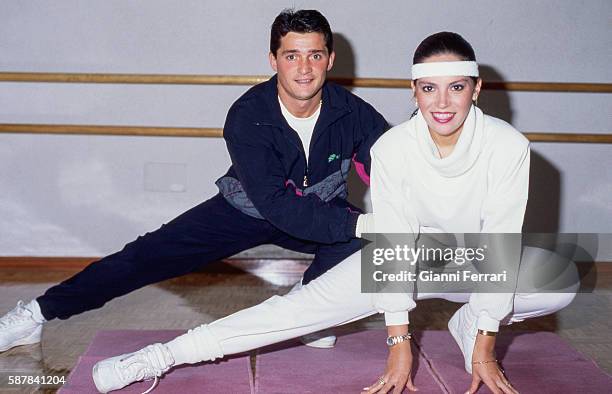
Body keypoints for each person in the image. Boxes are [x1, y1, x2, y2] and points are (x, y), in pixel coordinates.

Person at [92, 33, 580, 394]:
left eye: (456, 87)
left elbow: (499, 239)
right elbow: (394, 240)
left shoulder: (508, 145)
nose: (442, 102)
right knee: (290, 313)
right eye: (428, 88)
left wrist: (486, 341)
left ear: (476, 89)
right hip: (400, 257)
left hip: (471, 259)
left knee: (559, 277)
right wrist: (398, 342)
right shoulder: (393, 148)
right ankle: (159, 357)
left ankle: (468, 322)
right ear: (414, 93)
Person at [0, 9, 388, 354]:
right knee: (142, 258)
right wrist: (357, 221)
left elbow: (390, 164)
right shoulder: (248, 115)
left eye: (314, 55)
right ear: (273, 60)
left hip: (317, 210)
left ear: (330, 59)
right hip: (247, 209)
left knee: (364, 240)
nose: (304, 68)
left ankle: (306, 312)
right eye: (292, 55)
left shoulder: (353, 112)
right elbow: (275, 205)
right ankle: (33, 315)